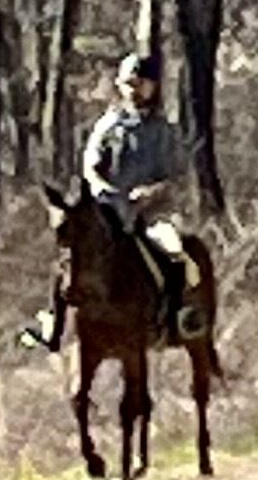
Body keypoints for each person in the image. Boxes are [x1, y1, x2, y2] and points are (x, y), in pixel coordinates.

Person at [30, 53, 202, 350]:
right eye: (129, 83)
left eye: (141, 83)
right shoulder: (108, 127)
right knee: (71, 253)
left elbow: (178, 177)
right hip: (108, 210)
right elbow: (91, 168)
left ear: (153, 86)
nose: (135, 89)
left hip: (153, 215)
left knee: (175, 251)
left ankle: (178, 319)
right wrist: (105, 189)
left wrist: (152, 192)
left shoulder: (165, 131)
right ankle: (54, 326)